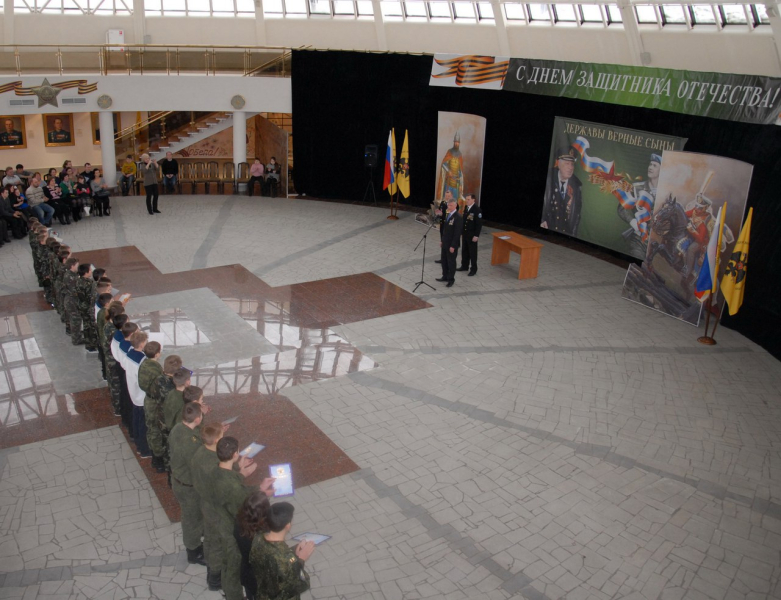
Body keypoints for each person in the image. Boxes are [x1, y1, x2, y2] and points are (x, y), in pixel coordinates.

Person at [211, 436, 274, 600]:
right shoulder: (232, 486)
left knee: (228, 563)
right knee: (233, 567)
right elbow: (244, 504)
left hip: (219, 519)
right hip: (229, 529)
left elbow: (233, 486)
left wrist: (244, 474)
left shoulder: (217, 470)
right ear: (235, 454)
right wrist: (262, 494)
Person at [249, 502, 315, 600]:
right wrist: (301, 559)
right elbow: (300, 584)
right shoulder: (287, 559)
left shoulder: (258, 538)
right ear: (288, 525)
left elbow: (273, 555)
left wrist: (293, 552)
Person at [168, 402, 207, 566]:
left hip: (179, 480)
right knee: (191, 519)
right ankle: (194, 551)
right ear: (197, 419)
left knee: (193, 515)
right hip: (188, 487)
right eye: (201, 415)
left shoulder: (178, 428)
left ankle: (199, 536)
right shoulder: (190, 443)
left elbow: (195, 434)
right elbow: (198, 465)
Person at [191, 423, 228, 592]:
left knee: (209, 539)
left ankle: (210, 570)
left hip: (205, 503)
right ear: (216, 441)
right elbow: (222, 487)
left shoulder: (200, 452)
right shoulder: (213, 463)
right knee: (217, 543)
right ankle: (215, 579)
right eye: (221, 437)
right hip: (215, 507)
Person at [235, 491, 271, 600]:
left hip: (247, 571)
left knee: (251, 594)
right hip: (261, 577)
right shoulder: (264, 535)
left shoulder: (238, 523)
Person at [541, 146, 582, 236]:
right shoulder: (549, 178)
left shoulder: (576, 186)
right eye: (567, 163)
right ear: (558, 164)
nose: (570, 167)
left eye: (572, 164)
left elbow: (576, 216)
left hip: (564, 235)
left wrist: (572, 236)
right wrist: (541, 219)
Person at [138, 342, 165, 472]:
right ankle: (158, 460)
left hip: (148, 399)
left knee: (151, 428)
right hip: (155, 403)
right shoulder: (155, 368)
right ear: (157, 354)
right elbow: (159, 387)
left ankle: (155, 456)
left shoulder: (144, 364)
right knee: (156, 430)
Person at [124, 332, 151, 458]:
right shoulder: (142, 360)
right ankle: (144, 450)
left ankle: (137, 441)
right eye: (145, 341)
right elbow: (145, 379)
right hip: (141, 396)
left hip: (133, 392)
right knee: (143, 424)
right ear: (141, 344)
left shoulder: (129, 353)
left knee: (136, 419)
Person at [436, 197, 463, 288]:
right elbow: (445, 230)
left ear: (455, 205)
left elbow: (457, 233)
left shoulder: (458, 217)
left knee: (451, 262)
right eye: (448, 205)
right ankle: (445, 276)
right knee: (444, 260)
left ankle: (451, 279)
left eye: (451, 205)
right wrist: (442, 240)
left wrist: (453, 246)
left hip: (451, 244)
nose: (449, 207)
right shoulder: (448, 214)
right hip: (445, 243)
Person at [457, 193, 482, 276]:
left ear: (473, 200)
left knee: (472, 253)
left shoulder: (477, 210)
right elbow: (464, 221)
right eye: (466, 199)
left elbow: (479, 224)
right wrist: (461, 232)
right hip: (465, 234)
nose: (467, 201)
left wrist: (476, 235)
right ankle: (464, 266)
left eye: (468, 199)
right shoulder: (466, 208)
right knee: (464, 251)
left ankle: (473, 269)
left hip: (472, 235)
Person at [436, 131, 464, 203]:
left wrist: (461, 185)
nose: (456, 143)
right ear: (453, 142)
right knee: (446, 201)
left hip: (456, 183)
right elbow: (443, 164)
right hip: (448, 182)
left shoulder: (460, 155)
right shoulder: (449, 152)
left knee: (454, 202)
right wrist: (449, 171)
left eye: (458, 142)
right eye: (455, 142)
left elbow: (460, 171)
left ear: (459, 143)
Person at [76, 263, 98, 352]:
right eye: (90, 270)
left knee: (86, 325)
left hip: (82, 305)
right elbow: (91, 297)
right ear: (86, 272)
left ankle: (88, 344)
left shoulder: (78, 281)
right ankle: (93, 344)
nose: (91, 271)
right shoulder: (89, 283)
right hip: (89, 307)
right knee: (91, 326)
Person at [63, 257, 83, 345]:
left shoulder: (70, 274)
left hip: (70, 300)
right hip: (72, 301)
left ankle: (76, 334)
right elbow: (75, 290)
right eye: (77, 265)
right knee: (76, 319)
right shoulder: (71, 277)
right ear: (72, 266)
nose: (78, 267)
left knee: (74, 319)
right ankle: (76, 339)